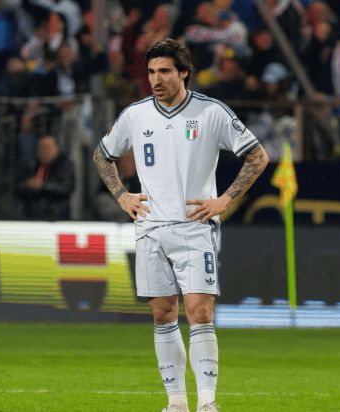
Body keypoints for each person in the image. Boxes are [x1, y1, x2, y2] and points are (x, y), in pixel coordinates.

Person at [93, 38, 269, 412]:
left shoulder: (211, 112)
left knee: (200, 312)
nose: (156, 80)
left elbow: (257, 156)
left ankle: (207, 402)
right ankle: (176, 402)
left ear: (184, 72)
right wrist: (122, 195)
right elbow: (102, 155)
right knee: (162, 314)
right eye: (151, 72)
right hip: (151, 228)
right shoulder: (135, 115)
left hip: (195, 226)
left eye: (165, 71)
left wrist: (224, 200)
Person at [17, 134, 75, 220]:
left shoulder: (65, 166)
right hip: (32, 216)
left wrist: (42, 186)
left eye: (47, 147)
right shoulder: (32, 165)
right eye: (41, 148)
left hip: (56, 215)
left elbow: (66, 188)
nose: (44, 151)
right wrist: (29, 185)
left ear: (56, 149)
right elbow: (19, 185)